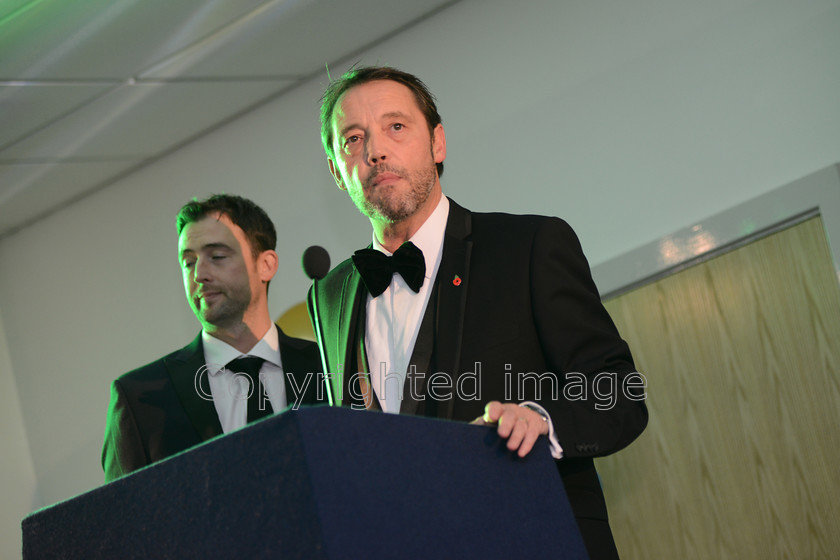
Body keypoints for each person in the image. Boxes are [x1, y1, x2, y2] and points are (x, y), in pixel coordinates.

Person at [309, 66, 648, 559]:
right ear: (338, 171)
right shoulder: (330, 294)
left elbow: (620, 393)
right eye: (353, 139)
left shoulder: (530, 245)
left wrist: (539, 419)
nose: (375, 150)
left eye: (396, 127)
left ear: (437, 143)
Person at [102, 194, 321, 482]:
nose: (199, 274)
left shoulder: (329, 364)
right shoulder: (139, 398)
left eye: (217, 256)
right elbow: (123, 520)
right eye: (188, 262)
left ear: (265, 265)